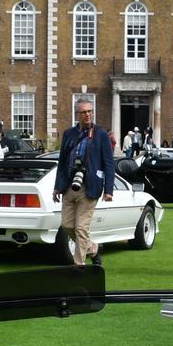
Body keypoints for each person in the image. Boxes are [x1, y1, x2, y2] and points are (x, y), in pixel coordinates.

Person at [54, 98, 115, 268]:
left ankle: (78, 267)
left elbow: (109, 163)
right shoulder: (69, 134)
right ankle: (92, 249)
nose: (87, 115)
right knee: (67, 226)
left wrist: (108, 189)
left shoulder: (101, 134)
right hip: (69, 185)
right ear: (77, 114)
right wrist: (57, 187)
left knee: (81, 228)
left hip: (90, 186)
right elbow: (62, 161)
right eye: (84, 112)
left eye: (90, 111)